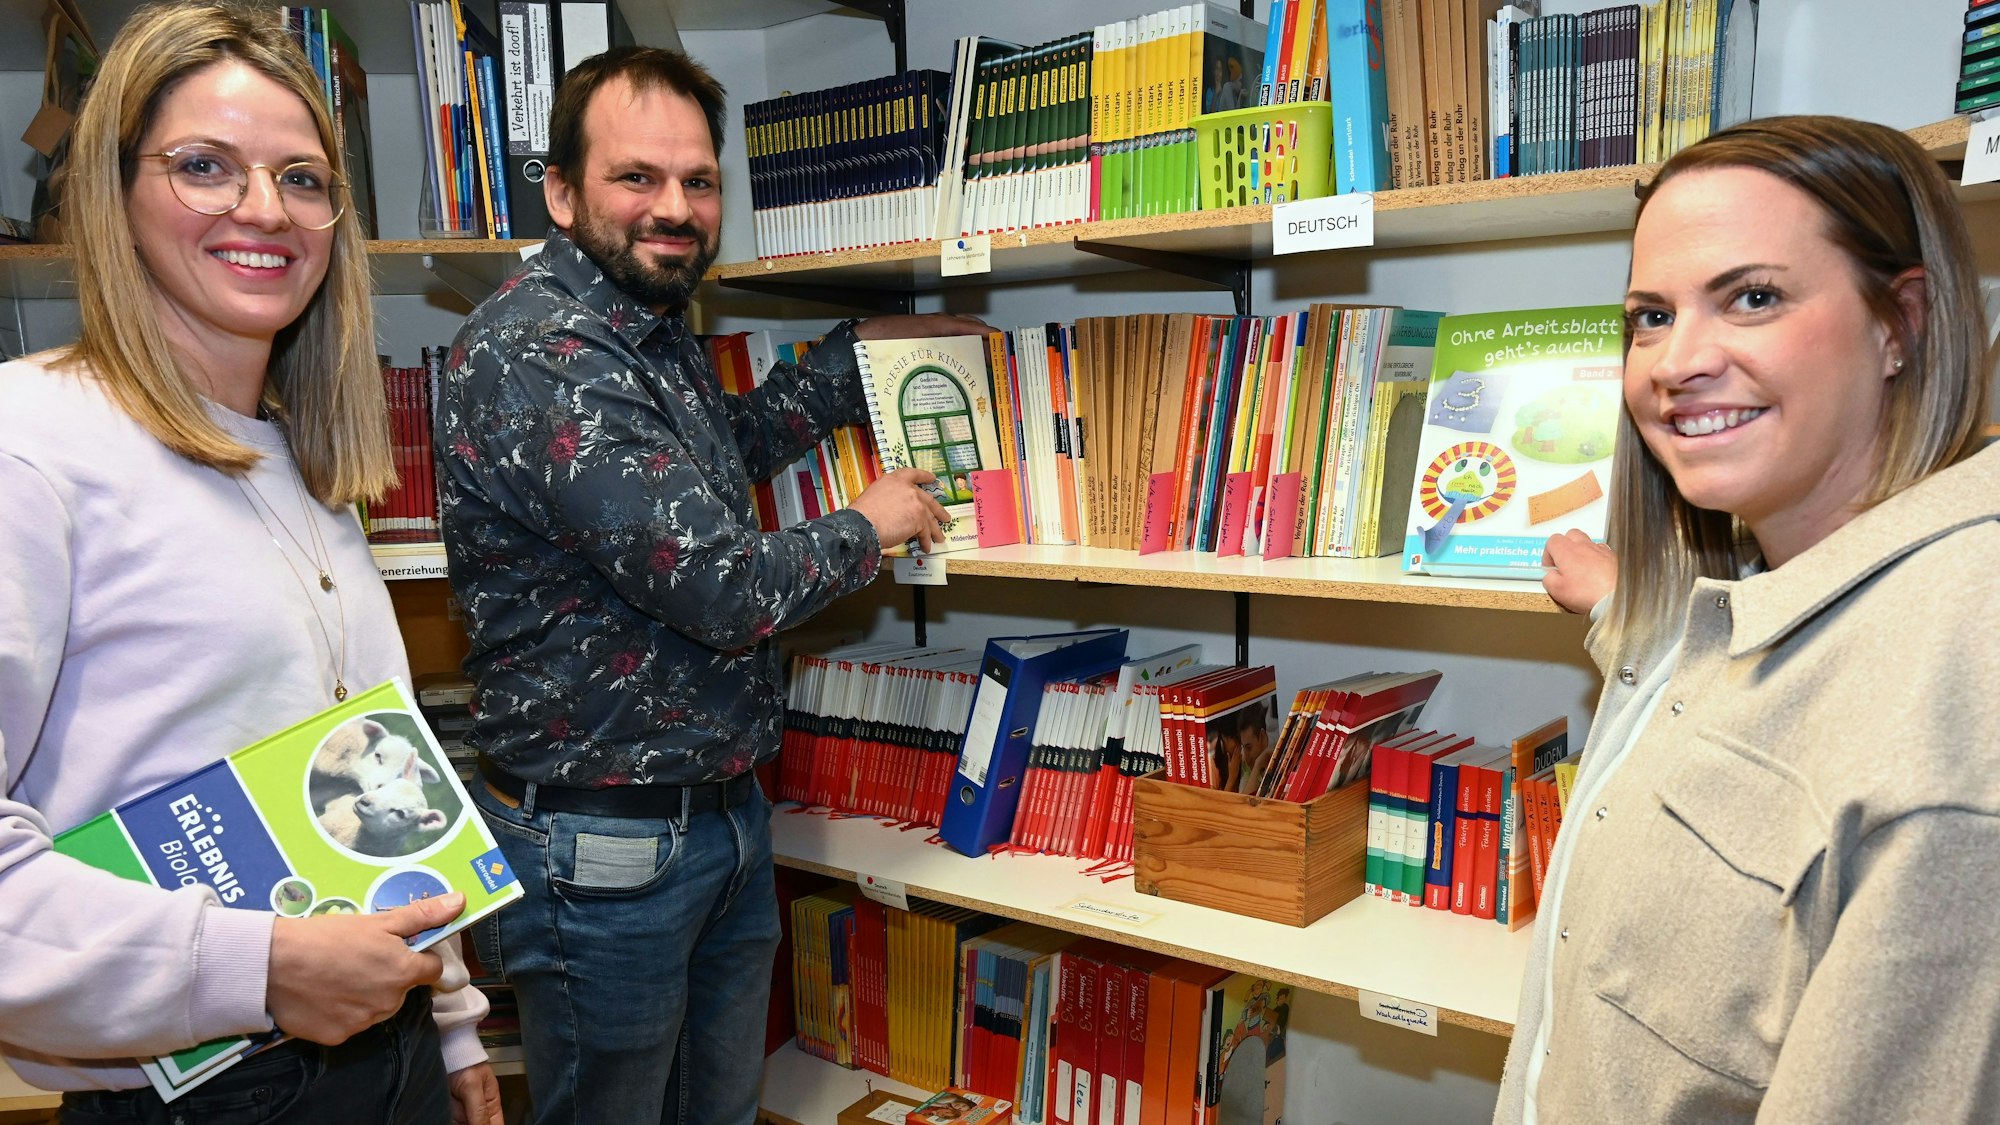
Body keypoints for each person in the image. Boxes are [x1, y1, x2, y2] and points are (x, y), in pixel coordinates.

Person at [433, 45, 987, 1124]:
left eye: (697, 181)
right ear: (560, 192)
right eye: (635, 177)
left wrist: (846, 358)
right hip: (606, 846)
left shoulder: (640, 321)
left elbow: (706, 458)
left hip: (714, 818)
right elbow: (719, 585)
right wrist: (864, 526)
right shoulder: (542, 350)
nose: (674, 207)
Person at [0, 4, 500, 1123]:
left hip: (393, 1052)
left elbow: (376, 781)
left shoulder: (301, 463)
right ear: (113, 192)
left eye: (304, 178)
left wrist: (456, 1022)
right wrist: (257, 964)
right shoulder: (26, 444)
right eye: (204, 167)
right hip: (203, 1090)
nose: (265, 209)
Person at [1495, 115, 2000, 1122]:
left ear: (1897, 324)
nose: (1674, 363)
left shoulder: (1959, 711)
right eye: (1648, 315)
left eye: (1752, 298)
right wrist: (1622, 619)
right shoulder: (1769, 567)